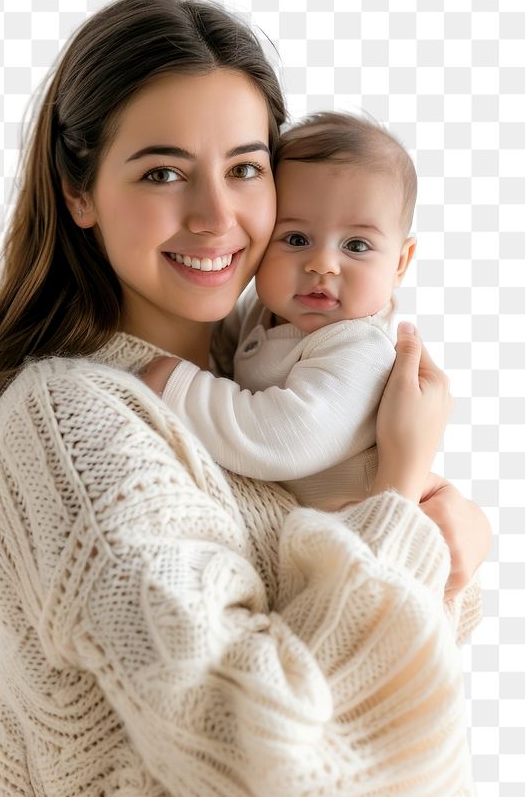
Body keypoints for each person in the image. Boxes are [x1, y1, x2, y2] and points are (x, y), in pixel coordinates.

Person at [0, 0, 500, 797]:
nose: (216, 215)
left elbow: (390, 704)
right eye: (161, 171)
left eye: (244, 168)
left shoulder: (273, 374)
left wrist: (443, 554)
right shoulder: (73, 420)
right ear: (78, 192)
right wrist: (404, 501)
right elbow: (258, 746)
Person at [141, 111, 418, 512]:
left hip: (349, 528)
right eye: (296, 238)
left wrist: (183, 390)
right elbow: (219, 349)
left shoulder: (358, 347)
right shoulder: (265, 310)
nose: (322, 264)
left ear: (400, 263)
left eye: (356, 246)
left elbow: (283, 436)